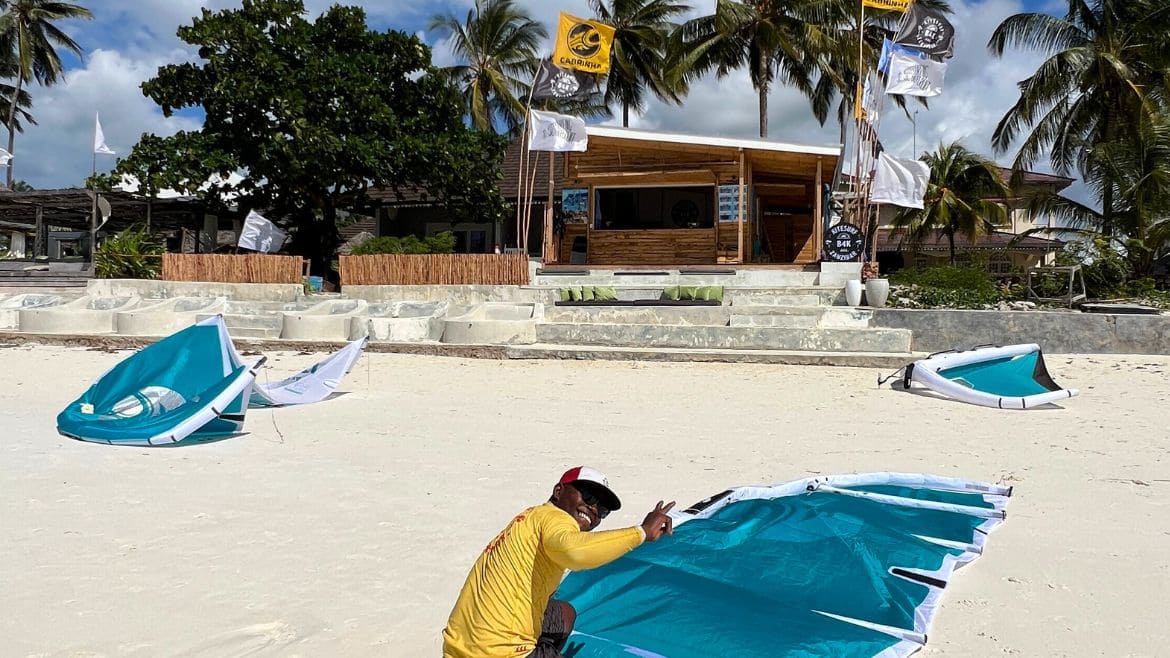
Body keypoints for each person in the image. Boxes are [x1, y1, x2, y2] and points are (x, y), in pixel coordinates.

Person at [442, 466, 675, 658]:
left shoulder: (532, 517)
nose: (593, 509)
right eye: (588, 496)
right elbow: (573, 551)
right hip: (498, 652)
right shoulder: (556, 518)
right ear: (558, 491)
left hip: (458, 646)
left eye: (602, 510)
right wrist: (641, 532)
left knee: (564, 614)